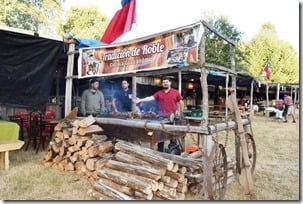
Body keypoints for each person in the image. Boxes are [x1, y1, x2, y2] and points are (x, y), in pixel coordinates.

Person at [133, 76, 184, 152]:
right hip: (161, 117)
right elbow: (151, 98)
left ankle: (173, 151)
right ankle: (160, 151)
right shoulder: (159, 93)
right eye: (163, 82)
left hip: (172, 118)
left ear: (170, 83)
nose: (165, 83)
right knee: (160, 136)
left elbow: (181, 102)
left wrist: (180, 113)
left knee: (173, 136)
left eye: (166, 82)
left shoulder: (175, 92)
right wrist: (140, 100)